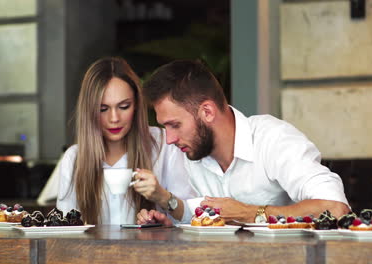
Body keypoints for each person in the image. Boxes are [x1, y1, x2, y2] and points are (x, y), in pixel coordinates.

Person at [137, 59, 350, 226]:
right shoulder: (196, 155)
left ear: (207, 112)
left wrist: (251, 213)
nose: (170, 139)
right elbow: (209, 210)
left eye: (175, 125)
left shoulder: (274, 139)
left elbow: (335, 209)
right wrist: (169, 220)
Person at [57, 57, 196, 225]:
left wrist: (162, 201)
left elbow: (191, 219)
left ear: (137, 104)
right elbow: (65, 231)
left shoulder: (165, 145)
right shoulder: (74, 159)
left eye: (124, 107)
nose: (114, 118)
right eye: (103, 109)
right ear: (89, 110)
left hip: (154, 250)